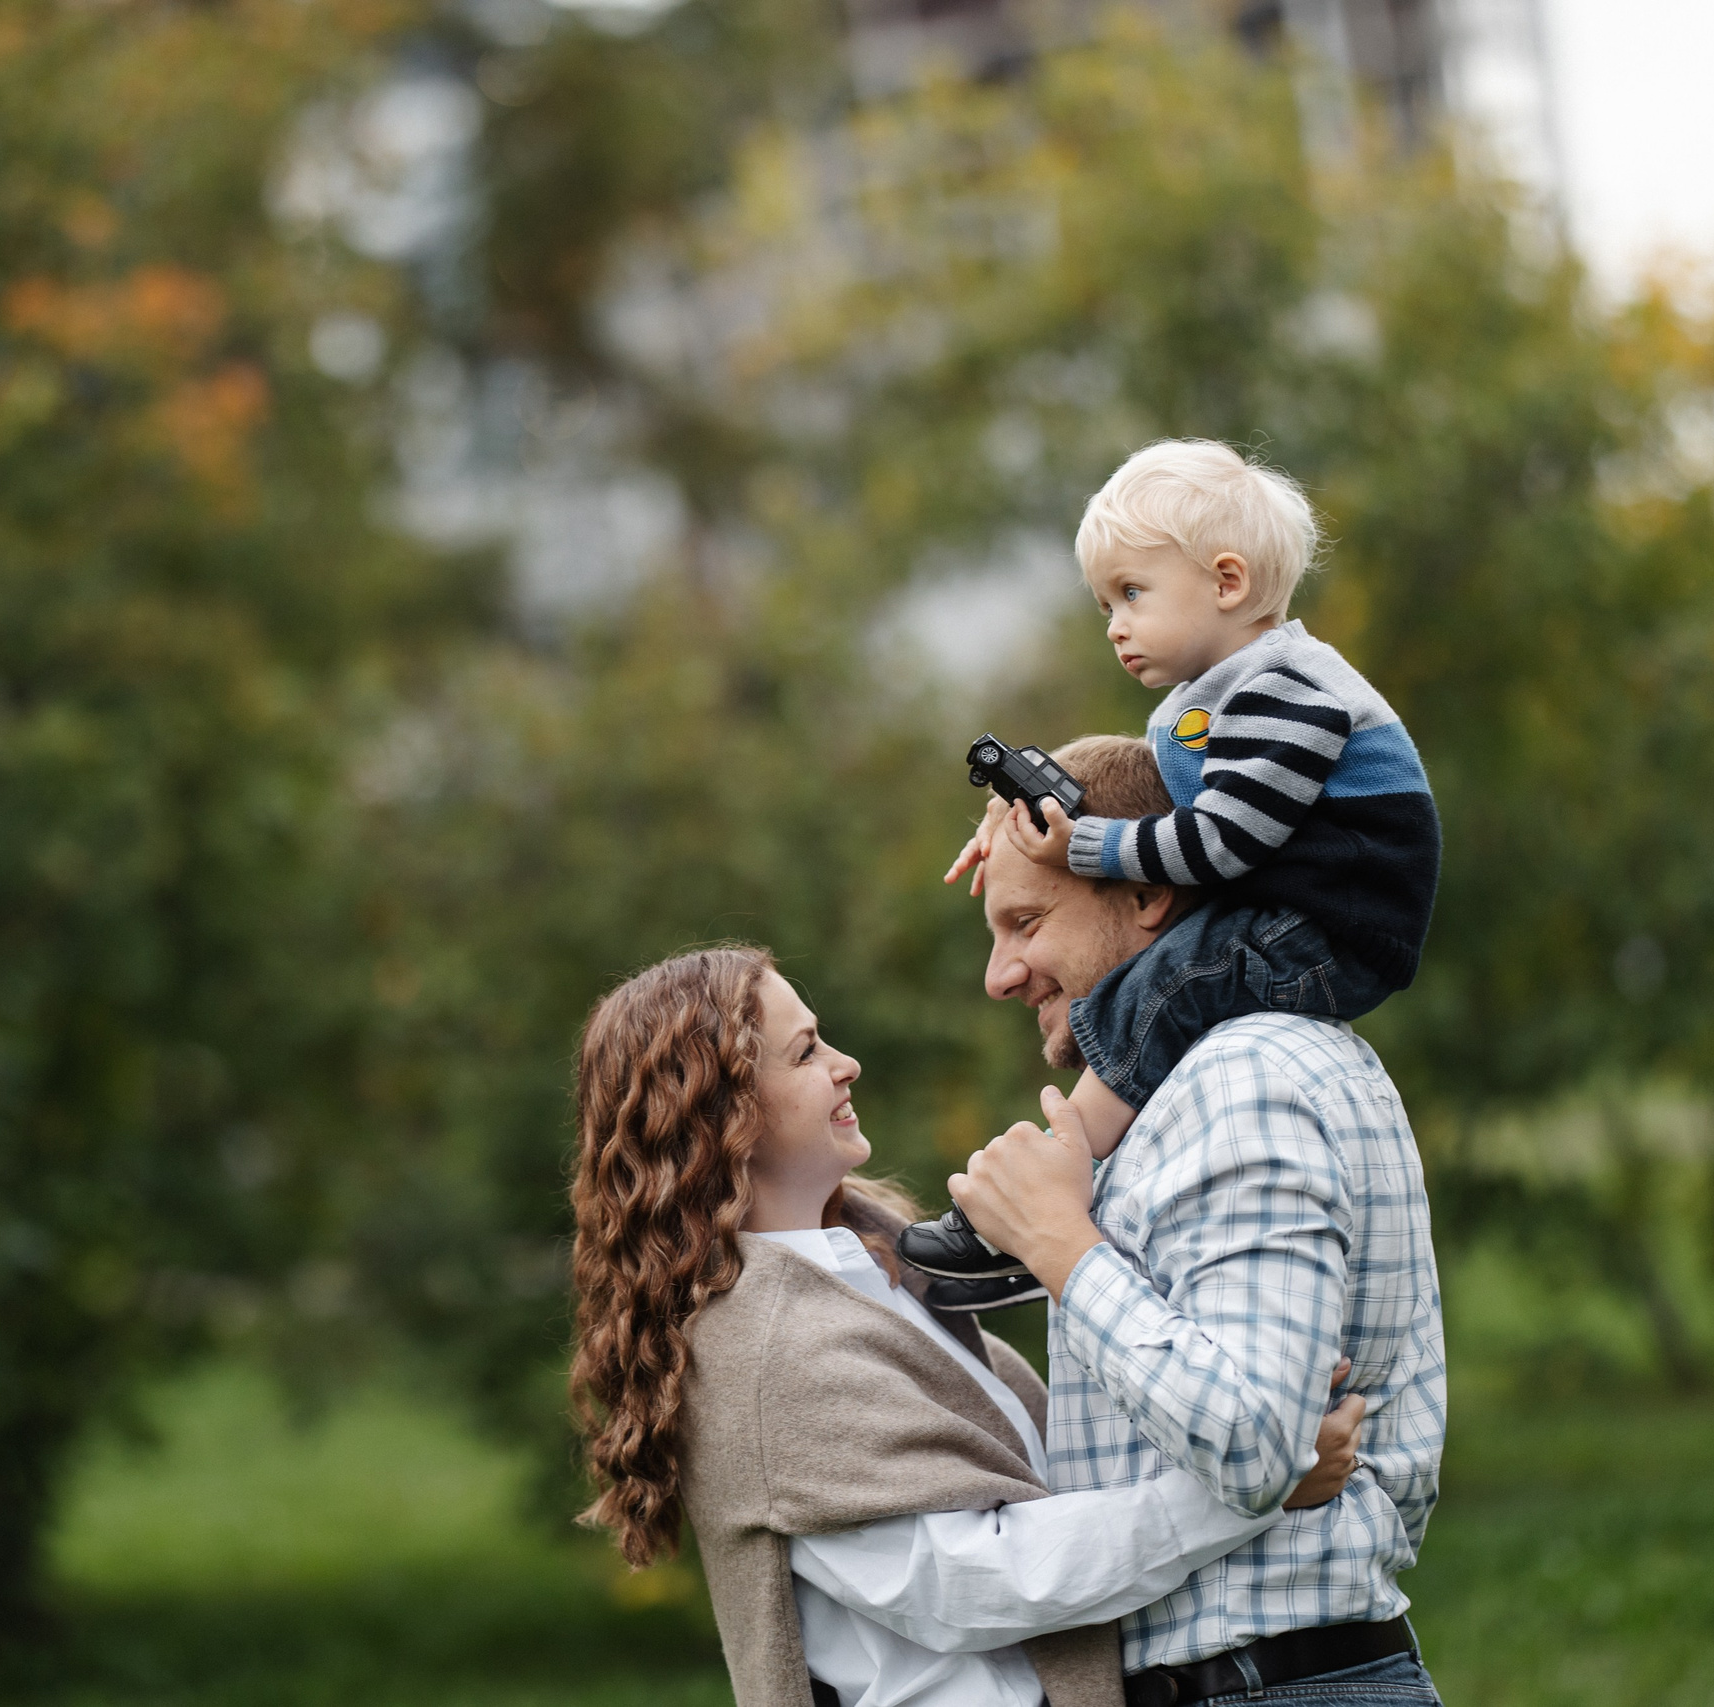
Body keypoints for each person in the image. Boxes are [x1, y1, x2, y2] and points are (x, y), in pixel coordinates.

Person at [566, 945, 1367, 1707]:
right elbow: (977, 1581)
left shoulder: (872, 1280)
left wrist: (1242, 1397)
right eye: (806, 1052)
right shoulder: (765, 1345)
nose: (845, 1064)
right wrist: (1252, 1490)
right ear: (723, 1108)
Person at [947, 737, 1447, 1706]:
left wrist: (1061, 1246)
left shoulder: (1240, 1078)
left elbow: (1260, 1443)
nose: (999, 975)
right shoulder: (1203, 1081)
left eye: (1026, 922)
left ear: (1144, 892)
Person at [904, 441, 1439, 1299]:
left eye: (1132, 593)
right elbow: (1146, 794)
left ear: (1227, 583)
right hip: (1288, 906)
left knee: (1161, 988)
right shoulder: (1206, 703)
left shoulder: (1289, 691)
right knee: (1168, 981)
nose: (1114, 623)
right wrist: (1011, 824)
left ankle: (1046, 1197)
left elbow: (1213, 842)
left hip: (1335, 923)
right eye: (1105, 602)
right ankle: (1065, 1195)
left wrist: (1079, 848)